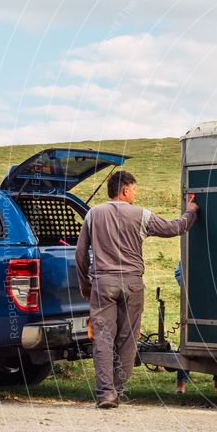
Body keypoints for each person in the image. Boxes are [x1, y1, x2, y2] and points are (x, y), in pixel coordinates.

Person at [76, 170, 199, 409]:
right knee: (127, 339)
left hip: (103, 284)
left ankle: (105, 394)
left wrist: (85, 284)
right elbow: (175, 228)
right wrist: (191, 211)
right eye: (134, 188)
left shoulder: (93, 215)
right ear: (124, 190)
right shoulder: (141, 215)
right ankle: (118, 389)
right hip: (132, 283)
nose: (135, 192)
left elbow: (80, 254)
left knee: (102, 339)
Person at [172, 261, 217, 394]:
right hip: (194, 302)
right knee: (187, 344)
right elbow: (178, 272)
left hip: (216, 302)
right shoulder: (190, 253)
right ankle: (181, 385)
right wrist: (190, 286)